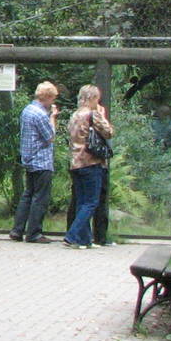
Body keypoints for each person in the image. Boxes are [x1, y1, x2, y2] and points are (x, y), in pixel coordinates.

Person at [64, 84, 115, 249]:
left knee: (81, 201)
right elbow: (108, 132)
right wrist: (102, 114)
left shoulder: (74, 115)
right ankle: (72, 235)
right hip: (91, 162)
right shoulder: (92, 114)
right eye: (96, 99)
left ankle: (84, 240)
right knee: (92, 202)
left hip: (75, 162)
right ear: (92, 98)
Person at [9, 81, 58, 244]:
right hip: (41, 161)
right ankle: (34, 233)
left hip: (29, 160)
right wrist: (53, 117)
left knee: (28, 195)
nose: (53, 102)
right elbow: (50, 136)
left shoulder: (27, 110)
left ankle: (17, 230)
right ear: (48, 97)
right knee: (40, 198)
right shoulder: (40, 114)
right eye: (53, 98)